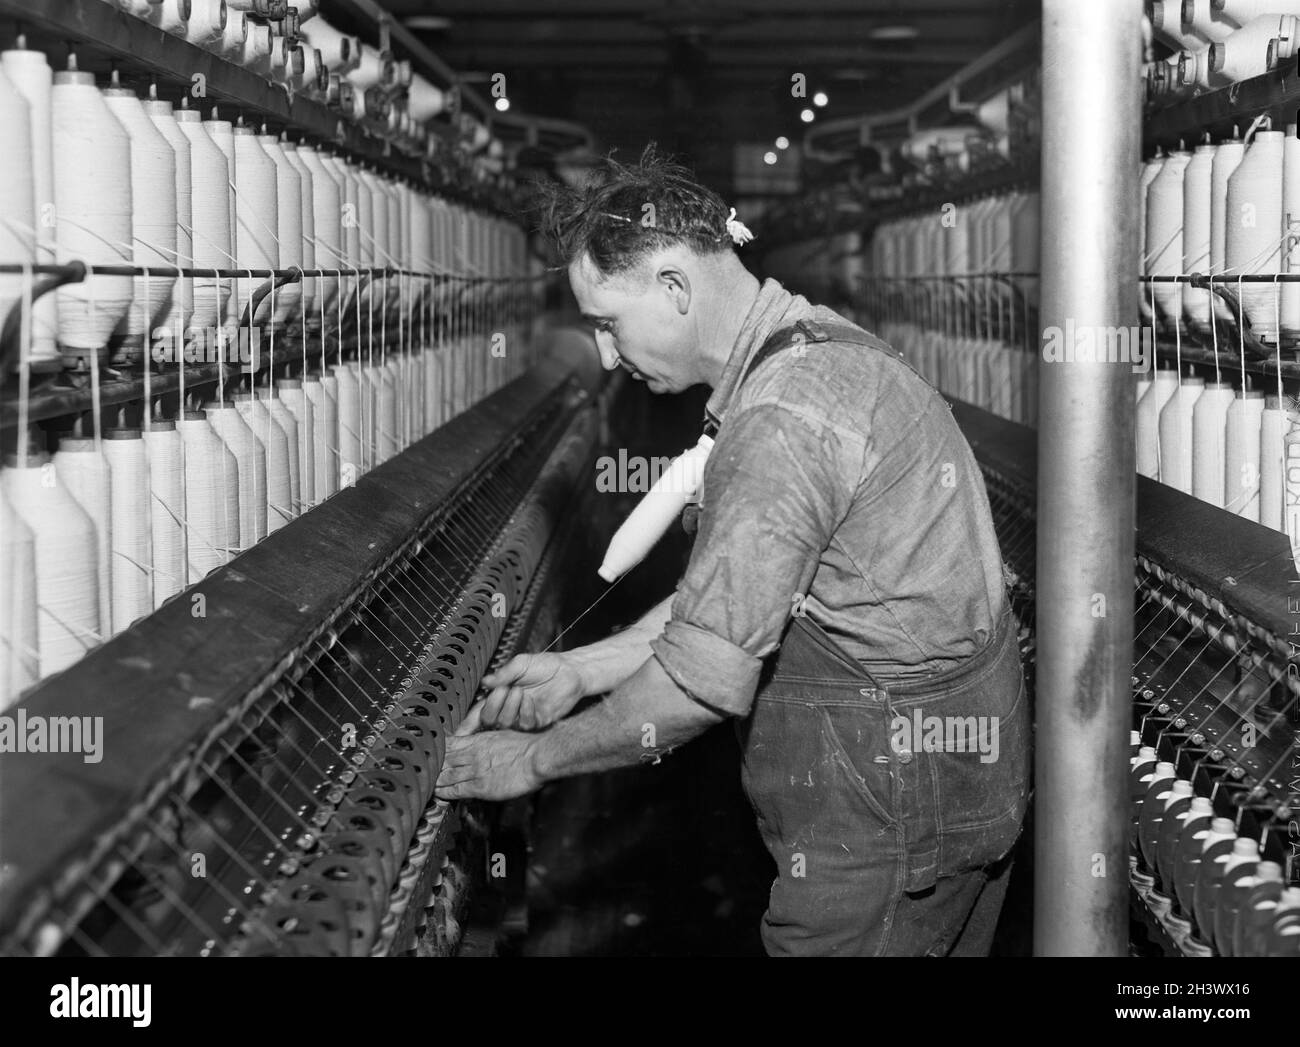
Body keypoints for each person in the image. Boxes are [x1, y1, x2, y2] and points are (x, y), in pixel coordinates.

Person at [433, 146, 1030, 956]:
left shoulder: (783, 419)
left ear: (674, 289)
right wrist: (581, 669)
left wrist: (533, 761)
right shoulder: (803, 344)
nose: (605, 355)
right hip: (929, 790)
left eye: (608, 324)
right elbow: (737, 603)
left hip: (889, 822)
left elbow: (692, 692)